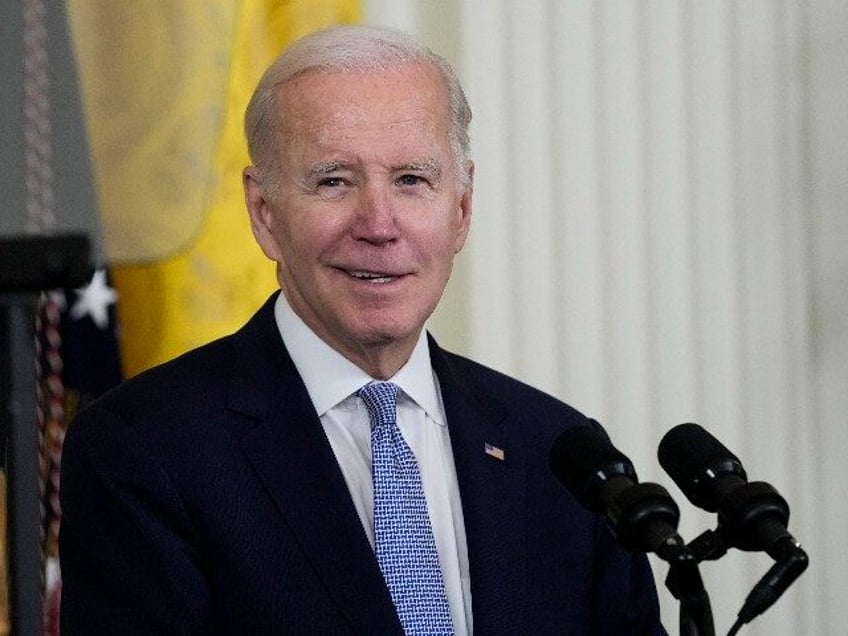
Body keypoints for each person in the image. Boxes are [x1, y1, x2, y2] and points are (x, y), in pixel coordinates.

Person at [59, 25, 666, 635]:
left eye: (411, 180)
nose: (379, 225)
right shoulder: (144, 450)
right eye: (334, 181)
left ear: (461, 209)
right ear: (264, 212)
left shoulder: (560, 454)